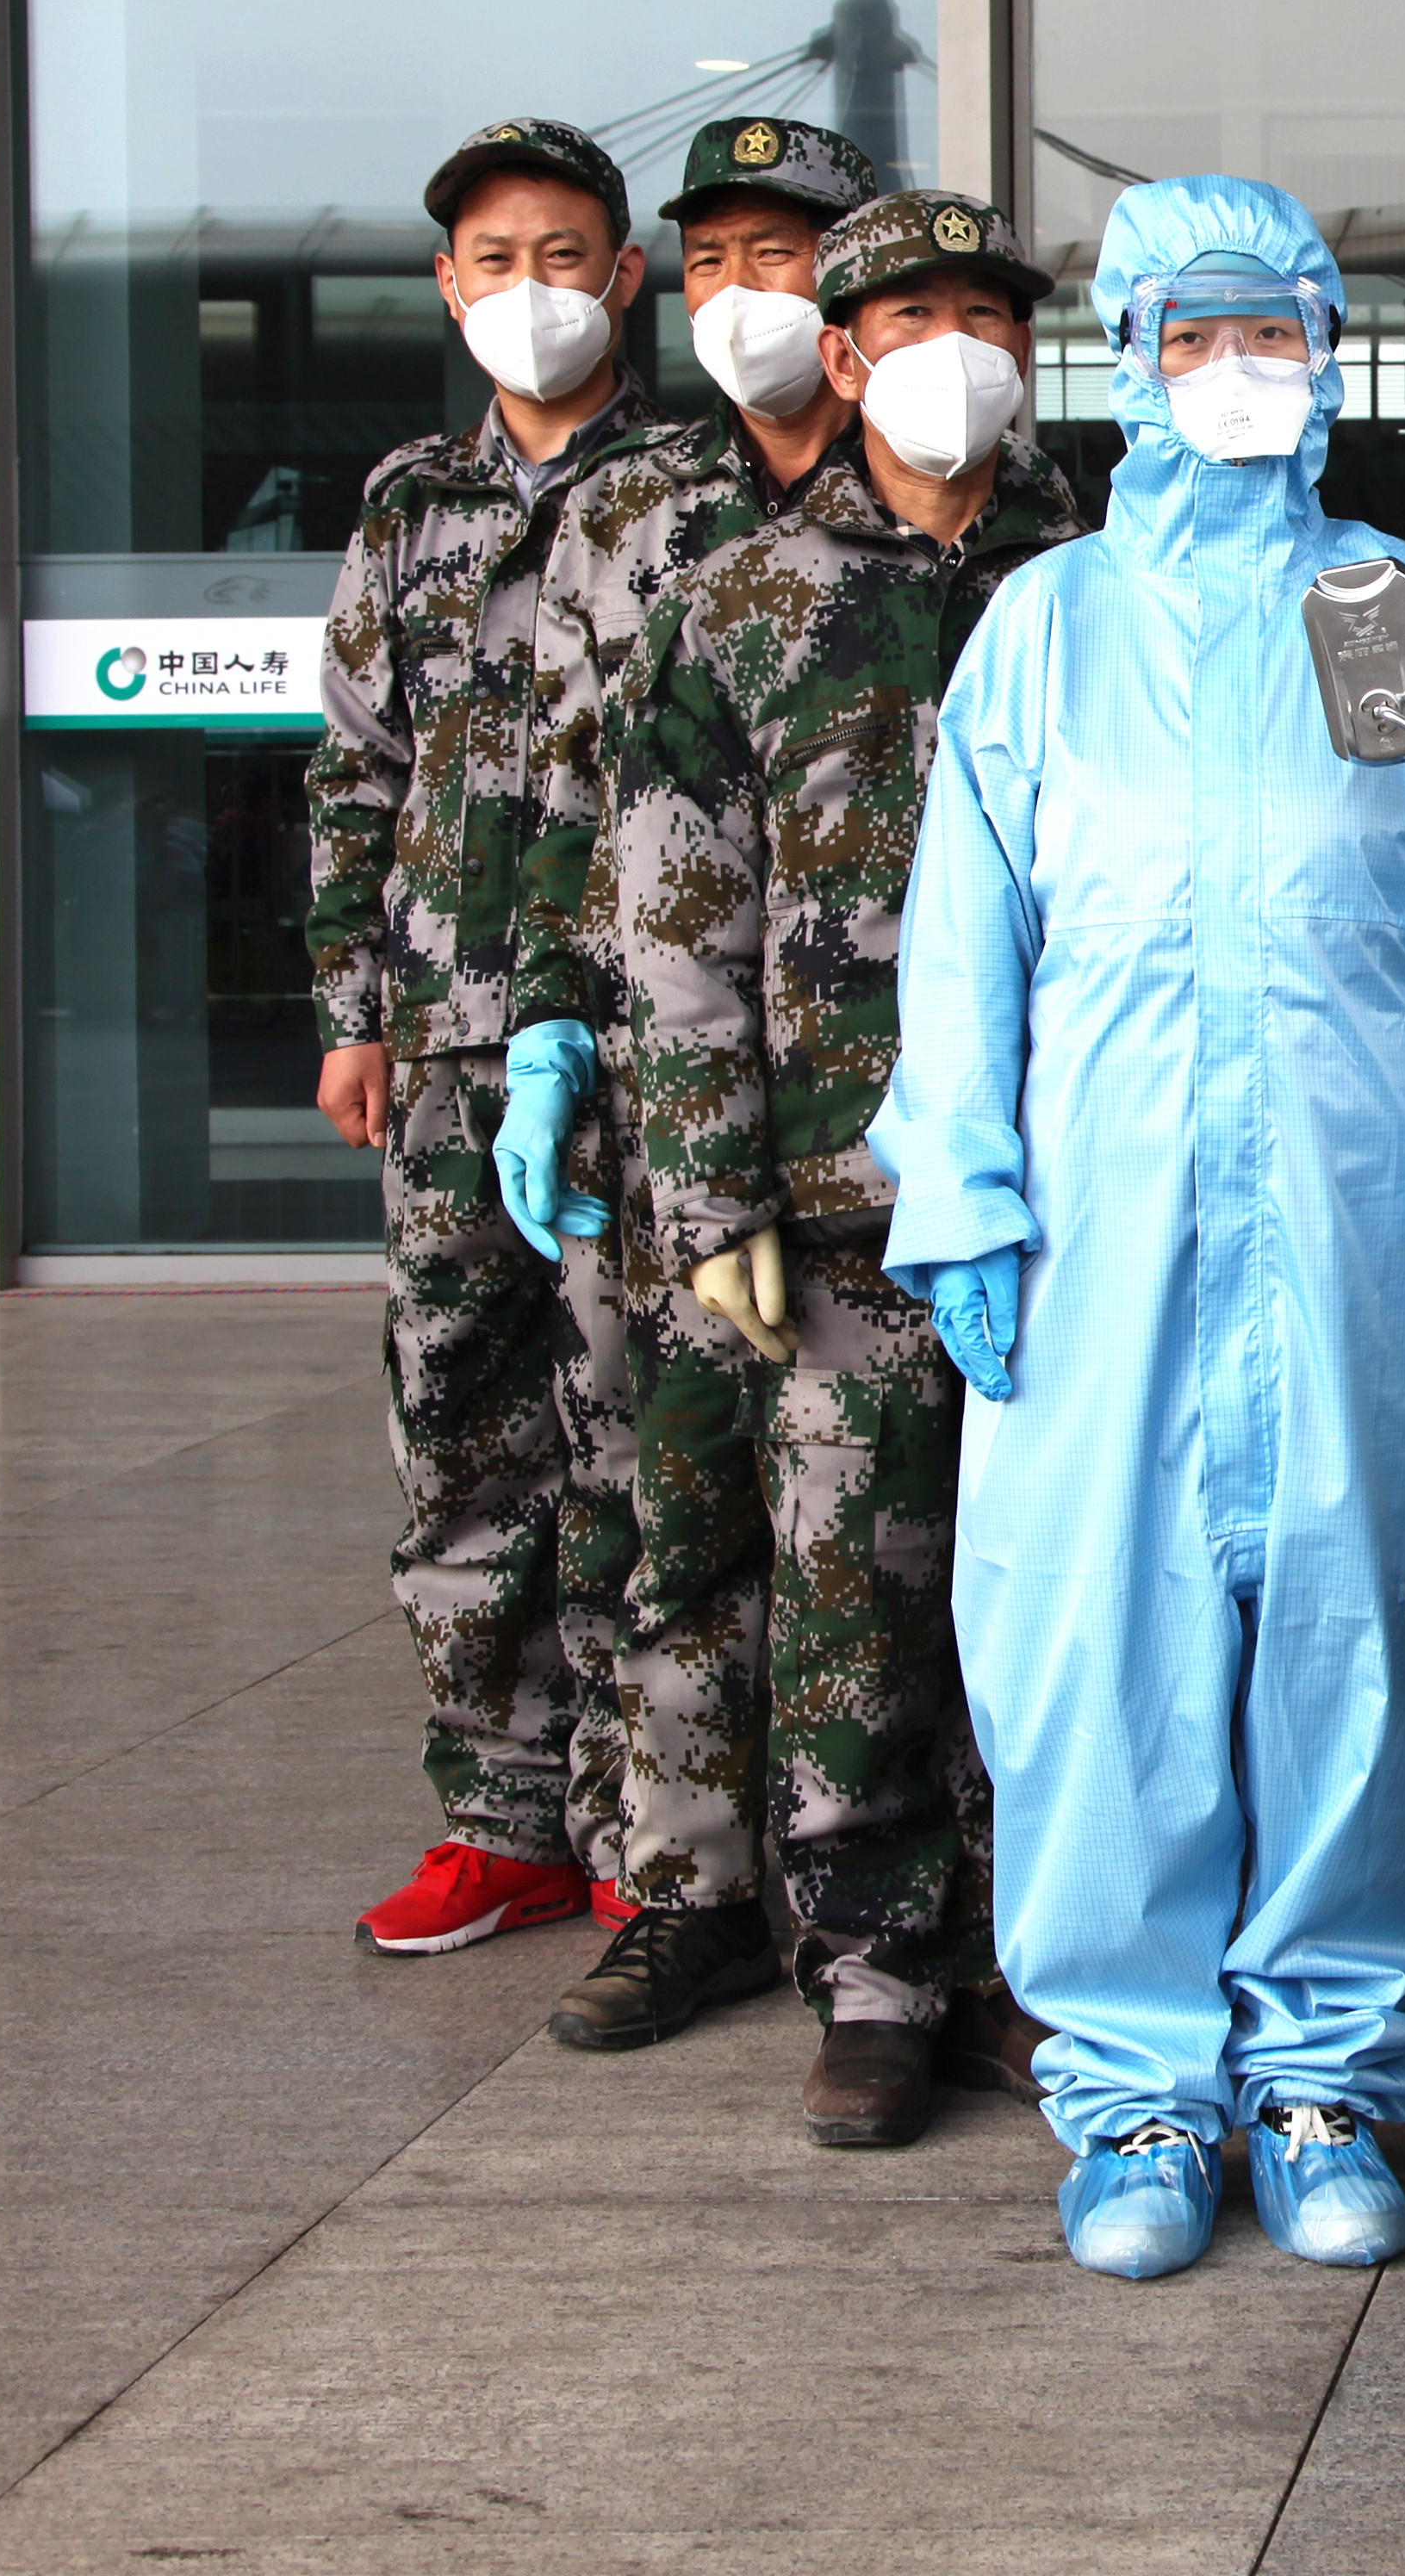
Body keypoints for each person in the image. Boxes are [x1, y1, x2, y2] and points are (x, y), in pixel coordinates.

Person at [874, 175, 1405, 2279]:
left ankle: (1328, 2079)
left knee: (1348, 1650)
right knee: (1100, 1653)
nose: (1236, 369)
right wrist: (965, 1195)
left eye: (1272, 329)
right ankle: (1137, 2098)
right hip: (1098, 1239)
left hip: (1353, 1224)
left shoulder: (1401, 614)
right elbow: (961, 940)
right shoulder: (1046, 629)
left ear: (1333, 351)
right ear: (1126, 359)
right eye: (1193, 334)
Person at [542, 189, 1091, 2145]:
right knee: (854, 1581)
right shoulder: (745, 598)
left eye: (987, 317)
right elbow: (674, 922)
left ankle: (1035, 1957)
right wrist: (712, 1197)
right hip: (847, 1192)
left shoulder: (1099, 578)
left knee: (1058, 1587)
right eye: (910, 320)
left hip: (1078, 1179)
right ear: (843, 357)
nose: (956, 351)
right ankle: (873, 1974)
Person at [485, 113, 874, 2042]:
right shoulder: (630, 508)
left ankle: (911, 1913)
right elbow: (570, 794)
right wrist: (546, 1023)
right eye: (708, 260)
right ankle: (689, 1884)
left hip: (888, 1110)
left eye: (778, 256)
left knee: (884, 1531)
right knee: (678, 1500)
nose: (739, 295)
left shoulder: (992, 506)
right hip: (677, 1102)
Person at [312, 117, 665, 1954]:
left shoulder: (687, 487)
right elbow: (355, 768)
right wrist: (351, 1008)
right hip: (446, 1042)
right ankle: (496, 1811)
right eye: (496, 260)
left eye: (565, 254)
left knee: (629, 1425)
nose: (533, 288)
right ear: (449, 288)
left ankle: (637, 1817)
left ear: (625, 275)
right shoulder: (409, 503)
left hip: (630, 1038)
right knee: (460, 1422)